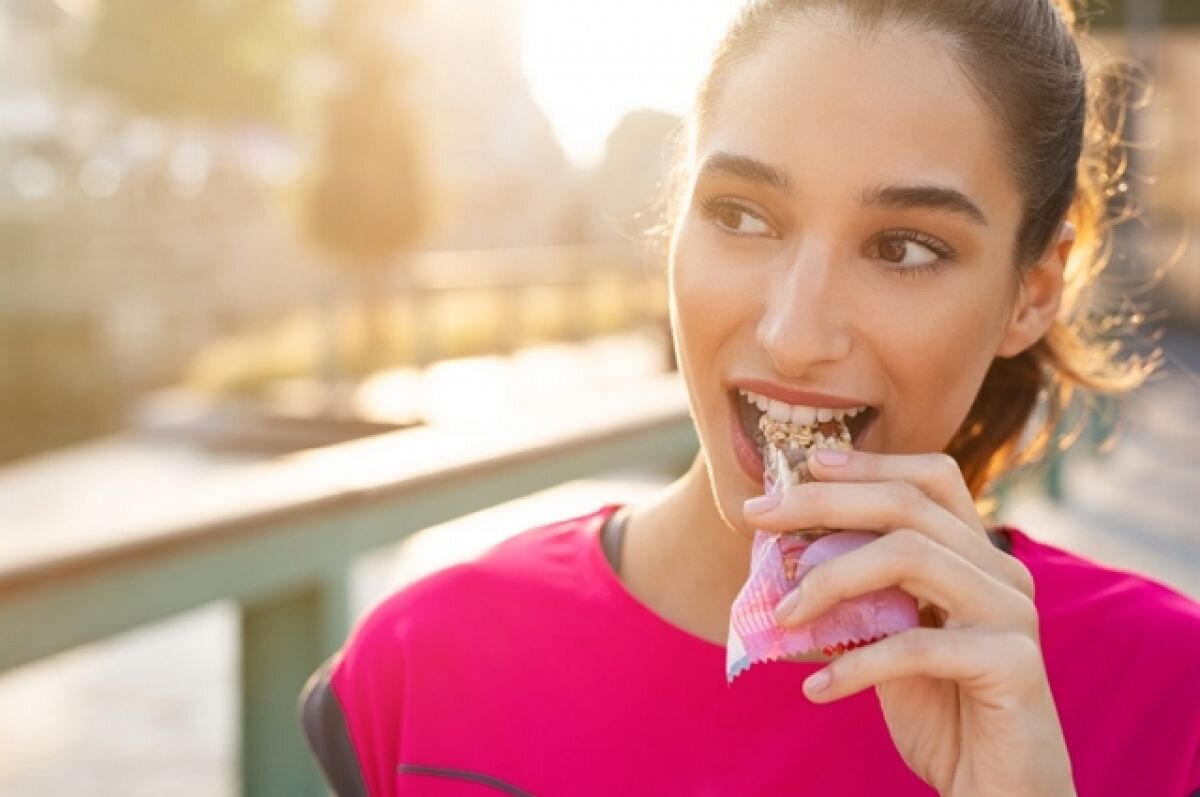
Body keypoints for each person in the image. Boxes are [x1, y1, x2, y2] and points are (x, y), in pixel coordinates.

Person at [299, 1, 1200, 794]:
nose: (793, 332)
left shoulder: (1168, 701)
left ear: (1033, 291)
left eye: (904, 248)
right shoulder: (423, 672)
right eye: (741, 215)